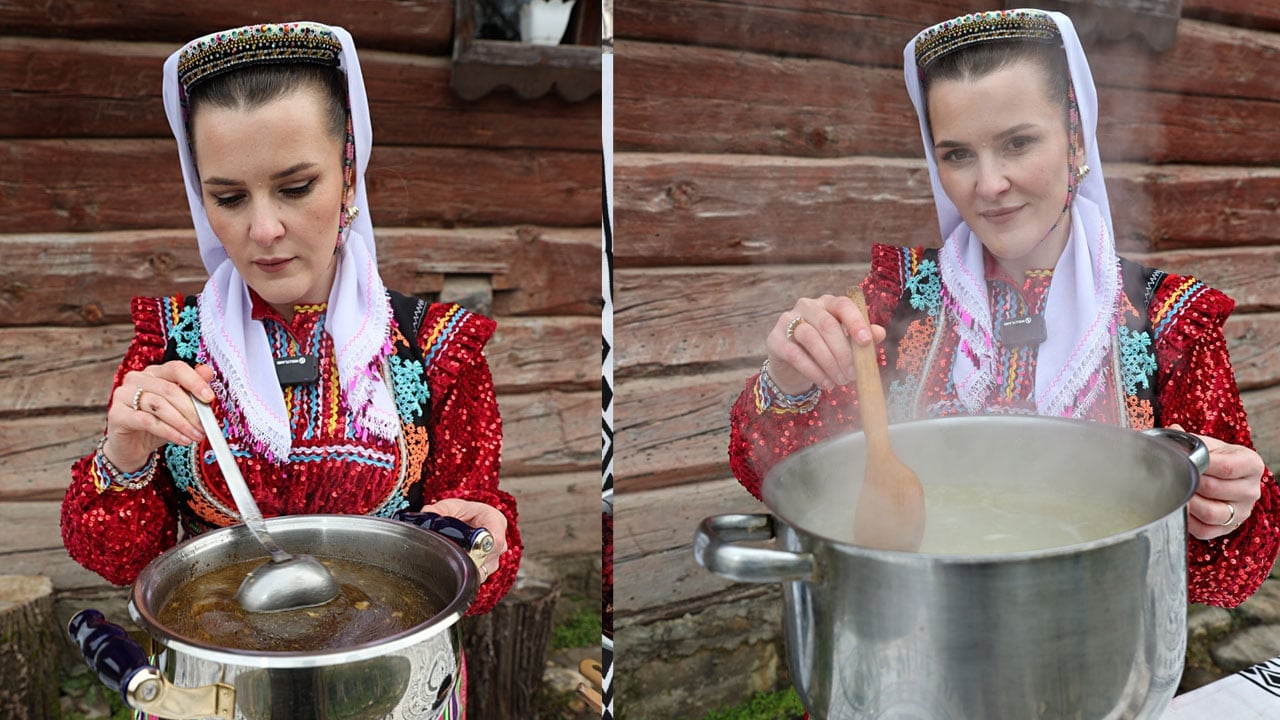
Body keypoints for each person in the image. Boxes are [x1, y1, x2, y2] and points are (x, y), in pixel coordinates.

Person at [728, 8, 1277, 607]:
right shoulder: (896, 303)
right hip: (907, 643)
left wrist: (1227, 505)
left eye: (1017, 143)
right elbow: (783, 480)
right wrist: (786, 375)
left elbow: (1226, 577)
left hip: (1087, 659)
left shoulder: (1167, 322)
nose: (988, 185)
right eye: (958, 154)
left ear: (1074, 137)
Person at [61, 18, 520, 677]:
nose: (264, 229)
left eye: (296, 187)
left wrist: (485, 540)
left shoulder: (436, 352)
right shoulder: (171, 352)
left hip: (390, 686)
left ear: (350, 176)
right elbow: (121, 560)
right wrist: (125, 453)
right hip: (215, 688)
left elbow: (478, 574)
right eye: (228, 197)